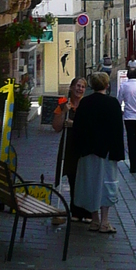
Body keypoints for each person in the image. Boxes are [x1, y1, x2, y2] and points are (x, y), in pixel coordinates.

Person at [64, 71, 124, 233]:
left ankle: (94, 219)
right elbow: (118, 130)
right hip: (107, 152)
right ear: (106, 85)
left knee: (91, 183)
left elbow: (78, 129)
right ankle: (105, 221)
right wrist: (118, 153)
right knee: (107, 185)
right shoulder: (113, 104)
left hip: (88, 151)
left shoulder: (85, 103)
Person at [52, 77, 88, 217]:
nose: (80, 89)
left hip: (84, 146)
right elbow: (56, 127)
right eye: (78, 86)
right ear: (72, 88)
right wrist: (62, 113)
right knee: (72, 177)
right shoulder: (63, 104)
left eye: (83, 87)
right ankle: (76, 211)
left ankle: (85, 210)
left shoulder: (87, 105)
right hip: (69, 145)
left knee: (83, 179)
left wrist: (74, 124)